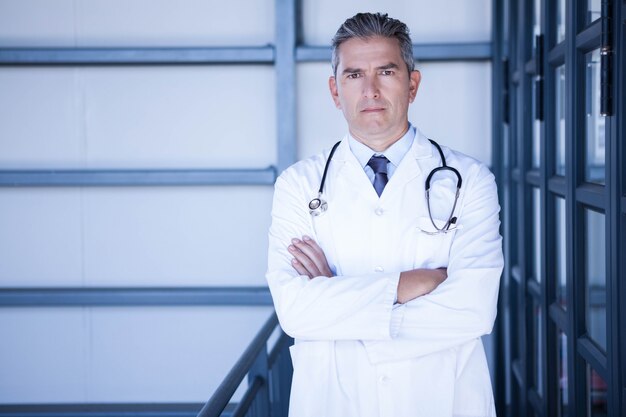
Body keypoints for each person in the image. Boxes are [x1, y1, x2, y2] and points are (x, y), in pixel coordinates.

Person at [266, 12, 503, 417]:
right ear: (335, 90)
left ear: (412, 84)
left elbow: (474, 308)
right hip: (333, 402)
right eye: (354, 74)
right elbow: (295, 311)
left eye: (386, 71)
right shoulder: (299, 185)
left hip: (441, 399)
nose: (370, 90)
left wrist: (336, 300)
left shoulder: (470, 180)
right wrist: (411, 285)